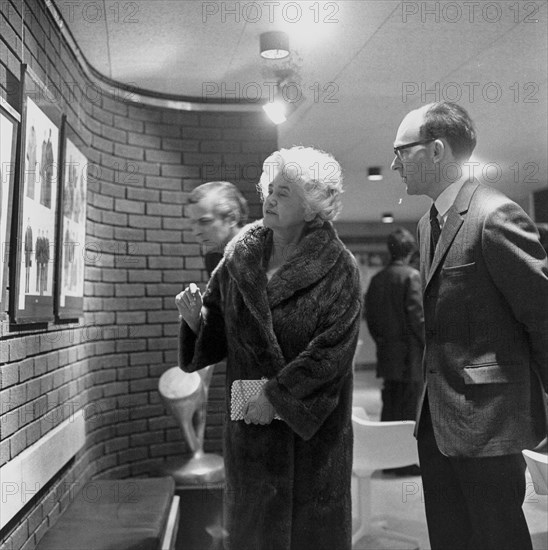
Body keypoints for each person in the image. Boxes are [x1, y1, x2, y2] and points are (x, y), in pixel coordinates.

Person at [176, 146, 361, 550]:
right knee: (251, 533)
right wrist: (196, 323)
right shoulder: (238, 259)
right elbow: (219, 330)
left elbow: (332, 352)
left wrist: (276, 398)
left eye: (285, 193)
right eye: (271, 189)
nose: (270, 200)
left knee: (309, 535)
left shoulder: (340, 268)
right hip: (250, 441)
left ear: (313, 206)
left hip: (312, 443)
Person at [391, 101, 548, 550]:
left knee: (497, 538)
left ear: (437, 150)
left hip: (489, 424)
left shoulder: (495, 215)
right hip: (437, 421)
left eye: (402, 149)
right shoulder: (427, 224)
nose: (395, 162)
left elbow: (542, 315)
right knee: (449, 538)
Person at [364, 227, 424, 475]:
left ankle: (387, 461)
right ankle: (406, 463)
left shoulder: (377, 279)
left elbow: (372, 319)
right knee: (410, 411)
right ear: (410, 251)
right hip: (410, 357)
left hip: (387, 354)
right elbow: (418, 319)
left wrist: (382, 342)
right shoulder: (412, 276)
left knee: (390, 408)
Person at [188, 180, 249, 276]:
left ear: (232, 219)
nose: (196, 232)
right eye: (193, 223)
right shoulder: (213, 258)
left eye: (204, 221)